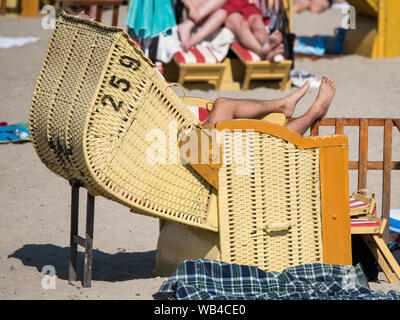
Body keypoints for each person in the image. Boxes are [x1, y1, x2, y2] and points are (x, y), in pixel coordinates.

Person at [203, 75, 336, 136]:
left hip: (194, 139)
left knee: (223, 104)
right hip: (201, 154)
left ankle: (282, 105)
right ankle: (316, 111)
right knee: (271, 144)